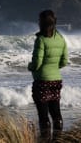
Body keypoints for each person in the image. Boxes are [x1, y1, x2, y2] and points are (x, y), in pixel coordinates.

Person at [28, 10, 68, 142]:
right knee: (56, 113)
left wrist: (30, 67)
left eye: (39, 21)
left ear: (42, 23)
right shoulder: (61, 39)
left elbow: (37, 63)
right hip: (56, 80)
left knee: (43, 115)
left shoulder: (41, 40)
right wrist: (53, 69)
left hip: (42, 82)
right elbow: (64, 61)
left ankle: (45, 140)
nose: (38, 22)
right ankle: (58, 139)